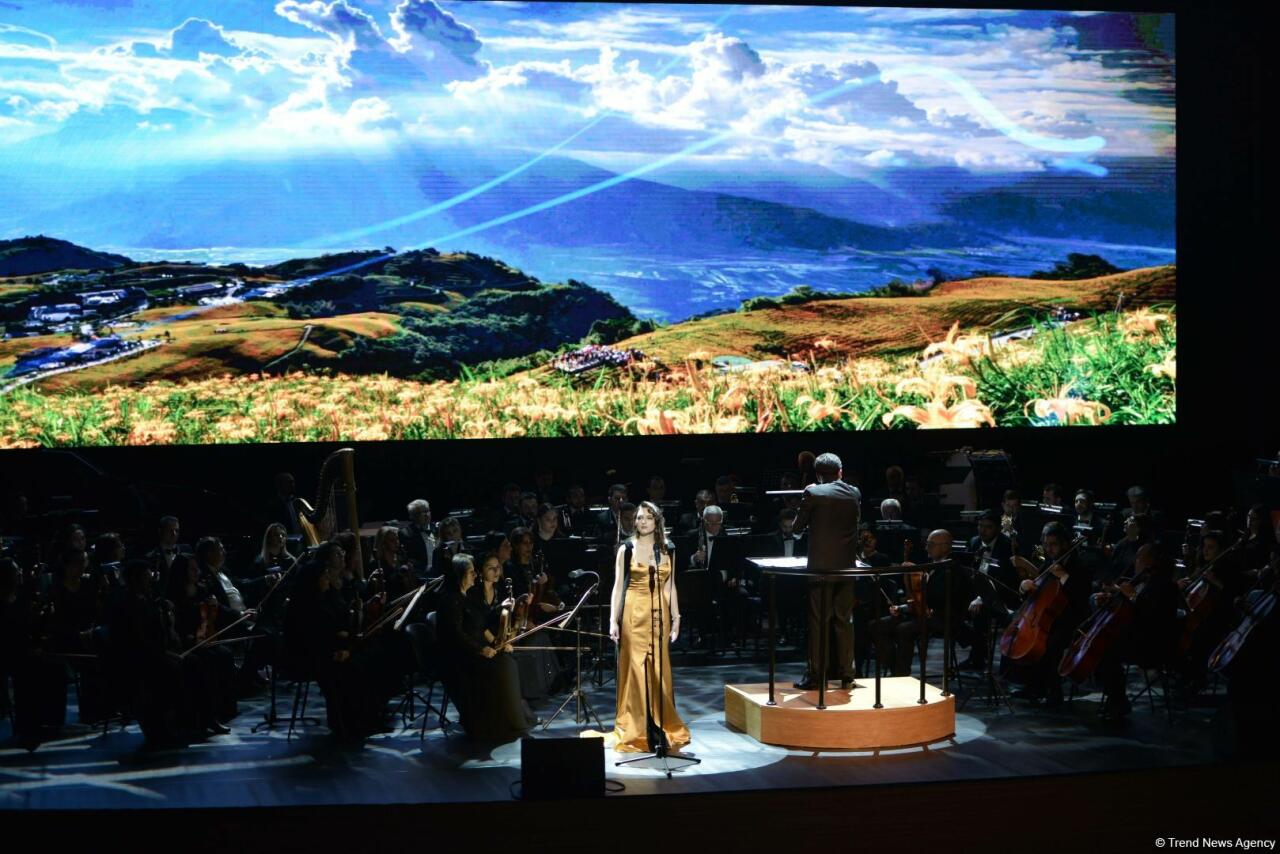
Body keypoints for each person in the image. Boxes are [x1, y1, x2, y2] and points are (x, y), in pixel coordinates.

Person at [608, 502, 690, 753]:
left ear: (657, 521)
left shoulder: (668, 548)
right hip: (634, 612)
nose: (643, 522)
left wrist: (676, 617)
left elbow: (670, 586)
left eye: (648, 517)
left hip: (659, 613)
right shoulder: (627, 549)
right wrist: (613, 619)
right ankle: (637, 727)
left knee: (658, 668)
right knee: (636, 668)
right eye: (639, 517)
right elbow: (618, 586)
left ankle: (658, 724)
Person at [437, 553, 535, 743]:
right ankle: (502, 723)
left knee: (508, 661)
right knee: (503, 666)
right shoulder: (451, 600)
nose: (475, 575)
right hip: (459, 659)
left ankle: (512, 719)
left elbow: (480, 623)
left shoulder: (465, 596)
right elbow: (456, 635)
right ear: (460, 575)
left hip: (470, 651)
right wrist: (481, 650)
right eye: (471, 572)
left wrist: (495, 641)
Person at [792, 452, 861, 690]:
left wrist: (807, 493)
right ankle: (847, 675)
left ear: (818, 475)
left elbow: (796, 528)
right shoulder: (854, 492)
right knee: (845, 620)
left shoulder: (813, 493)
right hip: (847, 568)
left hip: (820, 569)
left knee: (819, 622)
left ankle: (817, 676)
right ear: (840, 472)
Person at [400, 499, 435, 575]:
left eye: (428, 511)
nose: (427, 514)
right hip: (419, 574)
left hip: (439, 573)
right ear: (412, 516)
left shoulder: (437, 528)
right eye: (422, 512)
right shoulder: (405, 533)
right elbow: (408, 558)